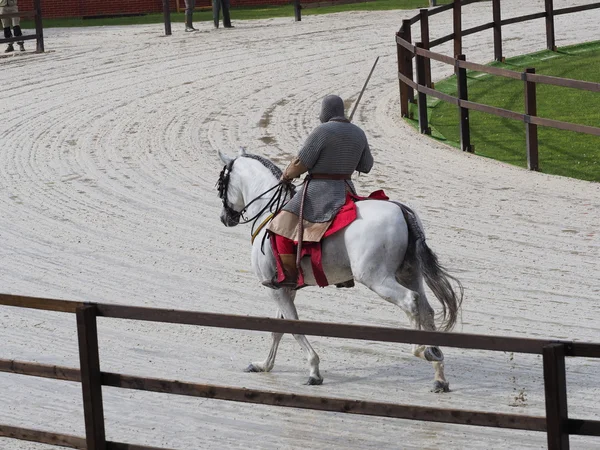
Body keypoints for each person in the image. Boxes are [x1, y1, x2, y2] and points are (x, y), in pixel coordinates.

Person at [265, 94, 374, 289]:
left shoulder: (322, 131)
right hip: (346, 190)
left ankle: (289, 275)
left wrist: (287, 175)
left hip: (318, 190)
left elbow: (302, 162)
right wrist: (350, 147)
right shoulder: (358, 132)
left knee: (280, 225)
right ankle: (342, 275)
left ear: (325, 111)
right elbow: (366, 166)